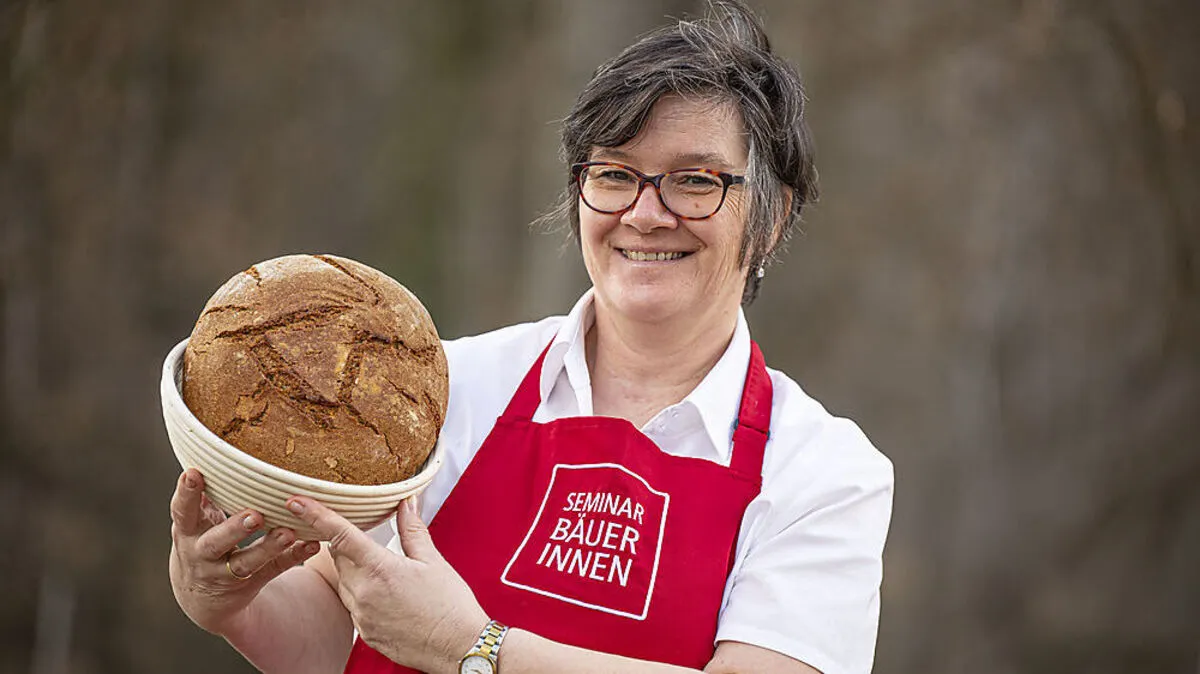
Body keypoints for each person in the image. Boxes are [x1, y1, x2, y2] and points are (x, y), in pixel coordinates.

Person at [168, 2, 894, 673]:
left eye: (695, 181)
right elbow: (336, 625)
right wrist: (225, 599)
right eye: (614, 175)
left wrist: (474, 648)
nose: (645, 214)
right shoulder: (447, 386)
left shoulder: (822, 472)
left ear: (769, 217)